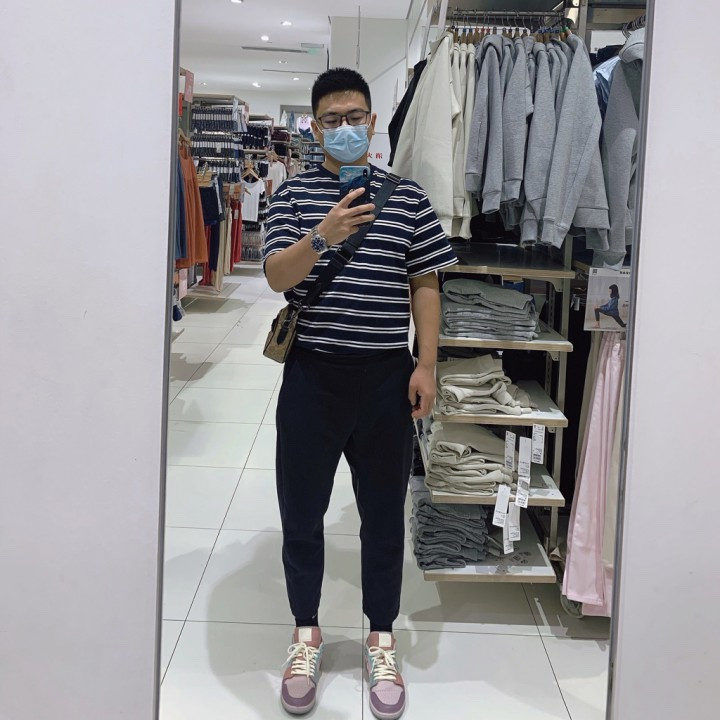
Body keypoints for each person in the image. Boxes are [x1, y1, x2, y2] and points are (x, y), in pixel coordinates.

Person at [263, 67, 457, 719]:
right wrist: (323, 235)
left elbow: (425, 282)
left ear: (372, 123)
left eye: (354, 117)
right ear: (314, 128)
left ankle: (381, 637)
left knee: (382, 516)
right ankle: (306, 633)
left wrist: (426, 365)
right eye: (331, 119)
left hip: (385, 380)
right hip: (312, 378)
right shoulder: (292, 196)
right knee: (301, 513)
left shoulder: (407, 197)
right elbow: (275, 277)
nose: (344, 128)